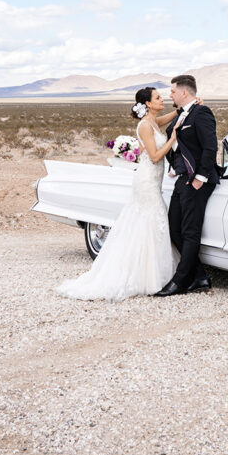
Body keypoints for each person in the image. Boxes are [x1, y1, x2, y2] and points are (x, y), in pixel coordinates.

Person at [55, 87, 185, 301]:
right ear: (148, 104)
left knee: (150, 222)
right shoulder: (144, 125)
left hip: (152, 180)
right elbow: (154, 156)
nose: (163, 99)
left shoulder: (152, 121)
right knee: (152, 220)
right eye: (158, 98)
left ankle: (151, 272)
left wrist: (182, 111)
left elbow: (166, 118)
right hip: (146, 181)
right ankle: (145, 276)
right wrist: (173, 137)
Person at [155, 74, 219, 297]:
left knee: (191, 231)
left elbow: (210, 146)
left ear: (183, 92)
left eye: (172, 91)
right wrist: (175, 166)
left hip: (198, 181)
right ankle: (200, 276)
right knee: (174, 229)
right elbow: (178, 143)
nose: (169, 95)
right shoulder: (181, 115)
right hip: (183, 179)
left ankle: (180, 281)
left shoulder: (202, 113)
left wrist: (200, 177)